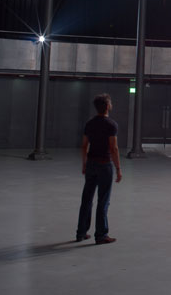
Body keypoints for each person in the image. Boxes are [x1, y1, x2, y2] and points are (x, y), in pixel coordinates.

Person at [76, 93, 122, 244]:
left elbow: (84, 146)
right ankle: (101, 235)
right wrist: (118, 168)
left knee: (87, 199)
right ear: (107, 106)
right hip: (104, 165)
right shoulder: (111, 124)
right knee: (103, 200)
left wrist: (84, 164)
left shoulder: (90, 123)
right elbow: (113, 148)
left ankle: (81, 232)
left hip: (91, 164)